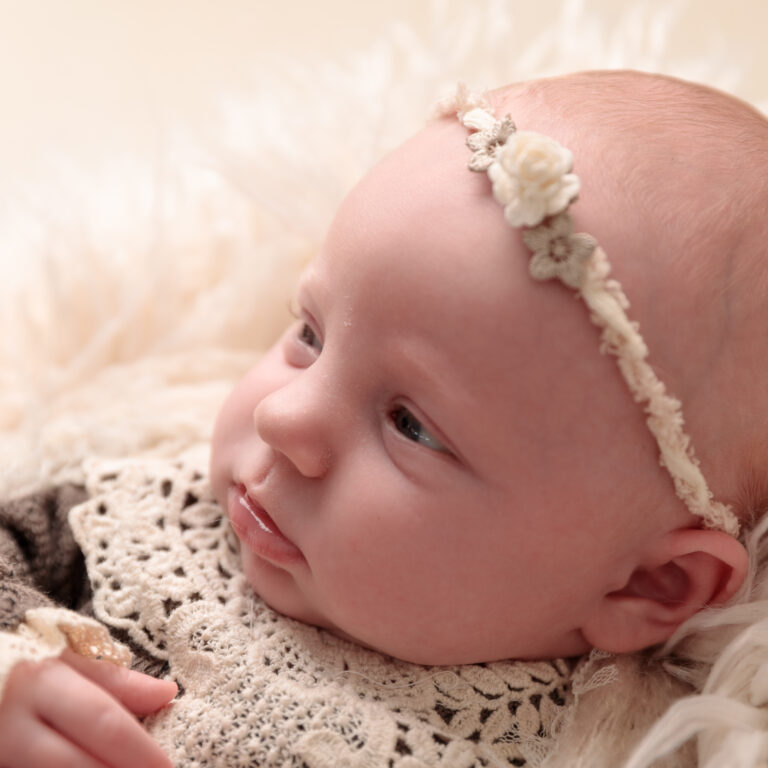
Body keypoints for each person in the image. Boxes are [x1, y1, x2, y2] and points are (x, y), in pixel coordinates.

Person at [1, 69, 766, 767]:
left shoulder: (614, 741)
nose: (283, 417)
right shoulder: (148, 531)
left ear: (654, 584)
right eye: (310, 334)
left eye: (412, 426)